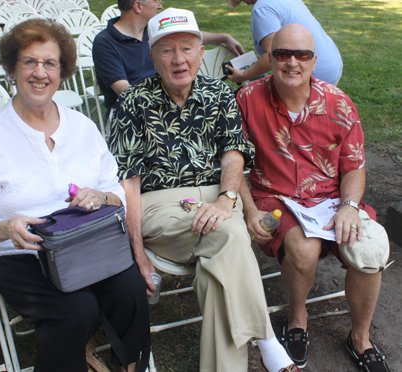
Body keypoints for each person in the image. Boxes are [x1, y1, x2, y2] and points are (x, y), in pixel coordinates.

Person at [109, 7, 301, 372]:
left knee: (218, 271)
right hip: (158, 208)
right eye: (166, 50)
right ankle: (267, 340)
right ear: (152, 57)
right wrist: (137, 254)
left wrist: (227, 198)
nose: (178, 59)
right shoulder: (133, 102)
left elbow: (233, 159)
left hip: (216, 200)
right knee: (231, 235)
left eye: (186, 47)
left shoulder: (219, 94)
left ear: (200, 50)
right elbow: (128, 185)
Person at [0, 19, 150, 372]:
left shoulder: (82, 127)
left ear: (63, 72)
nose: (39, 72)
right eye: (29, 61)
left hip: (84, 244)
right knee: (77, 311)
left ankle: (128, 366)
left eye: (50, 63)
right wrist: (6, 228)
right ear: (12, 69)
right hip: (21, 256)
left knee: (130, 290)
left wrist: (102, 197)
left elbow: (117, 190)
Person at [237, 24, 391, 372]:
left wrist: (350, 207)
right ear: (271, 59)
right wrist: (246, 208)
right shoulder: (248, 99)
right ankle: (296, 318)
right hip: (275, 196)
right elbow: (233, 160)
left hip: (330, 198)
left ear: (314, 60)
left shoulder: (338, 104)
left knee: (369, 249)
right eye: (282, 54)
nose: (292, 63)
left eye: (302, 55)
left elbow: (354, 166)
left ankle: (360, 338)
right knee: (304, 249)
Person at [93, 0, 246, 116]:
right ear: (138, 6)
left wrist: (224, 38)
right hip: (133, 112)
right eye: (156, 0)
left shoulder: (152, 32)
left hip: (174, 100)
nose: (160, 5)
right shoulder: (105, 43)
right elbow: (126, 92)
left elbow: (186, 37)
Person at [225, 0, 343, 86]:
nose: (243, 3)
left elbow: (270, 56)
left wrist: (243, 75)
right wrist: (257, 61)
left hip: (314, 77)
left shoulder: (262, 8)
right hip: (332, 66)